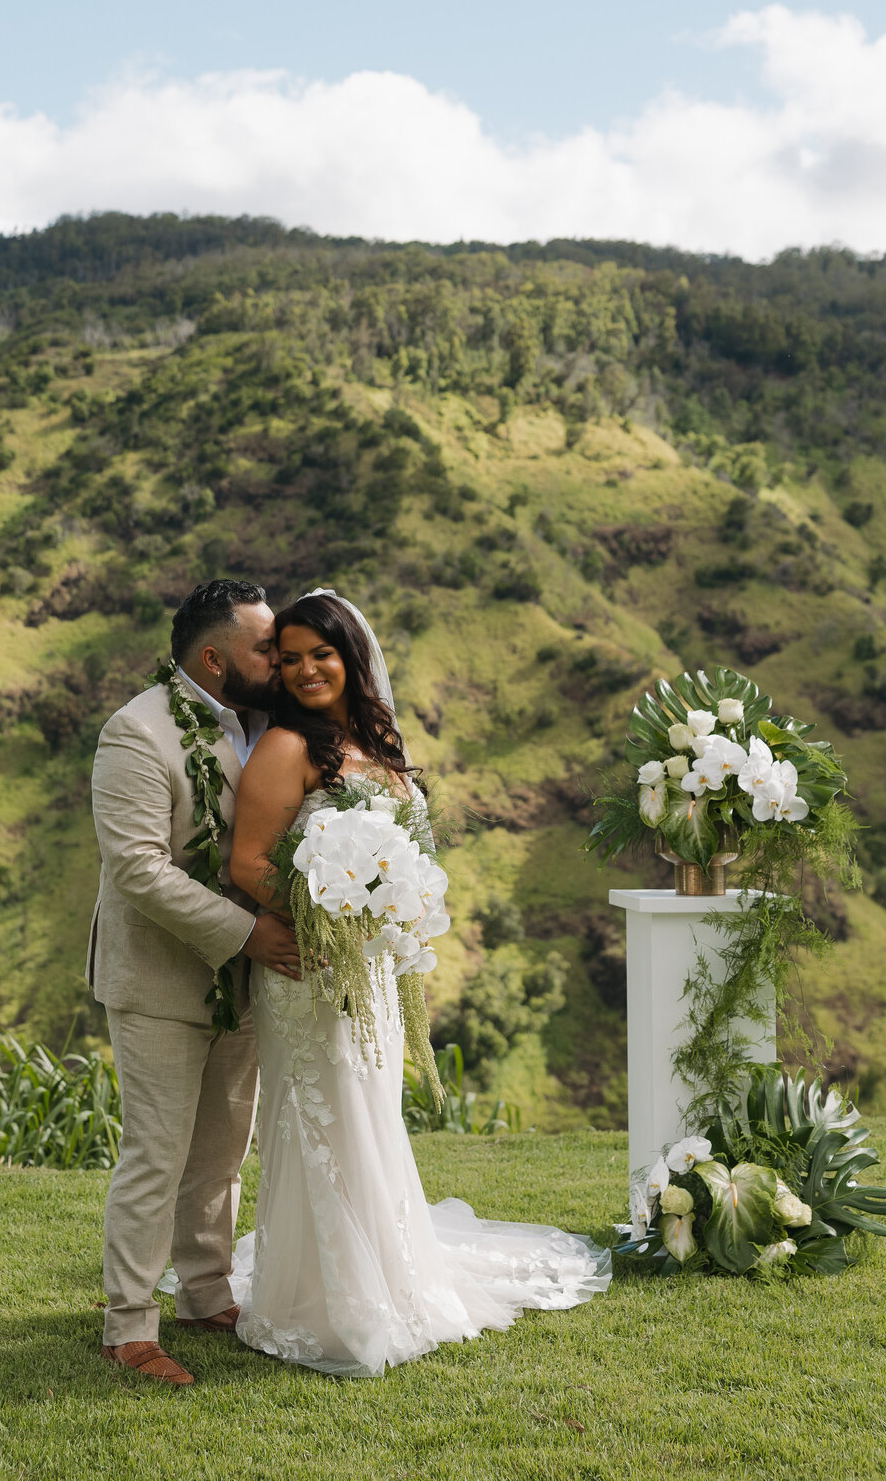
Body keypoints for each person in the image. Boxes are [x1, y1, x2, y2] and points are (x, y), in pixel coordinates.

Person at [225, 589, 612, 1377]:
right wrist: (328, 912)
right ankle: (324, 1300)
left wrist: (390, 911)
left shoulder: (378, 745)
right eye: (289, 657)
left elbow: (414, 858)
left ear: (351, 658)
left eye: (320, 654)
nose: (304, 670)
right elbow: (249, 864)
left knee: (368, 1114)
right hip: (310, 968)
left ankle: (389, 1272)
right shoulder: (283, 750)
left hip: (368, 965)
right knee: (321, 1117)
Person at [89, 579, 303, 1388]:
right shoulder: (135, 733)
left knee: (221, 1150)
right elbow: (138, 869)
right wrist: (251, 931)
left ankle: (205, 1292)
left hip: (247, 976)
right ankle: (127, 1327)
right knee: (158, 1152)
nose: (276, 659)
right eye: (262, 647)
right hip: (160, 978)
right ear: (214, 659)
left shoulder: (267, 726)